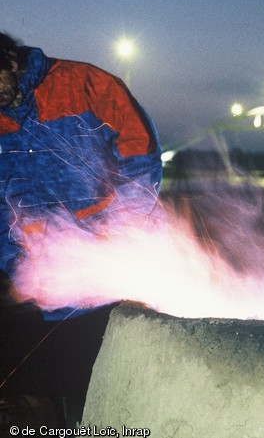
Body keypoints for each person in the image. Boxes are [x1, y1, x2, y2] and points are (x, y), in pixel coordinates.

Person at [0, 31, 162, 424]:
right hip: (42, 281)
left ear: (10, 61)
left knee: (111, 379)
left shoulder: (87, 84)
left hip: (115, 266)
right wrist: (15, 263)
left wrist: (119, 234)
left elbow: (140, 156)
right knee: (40, 382)